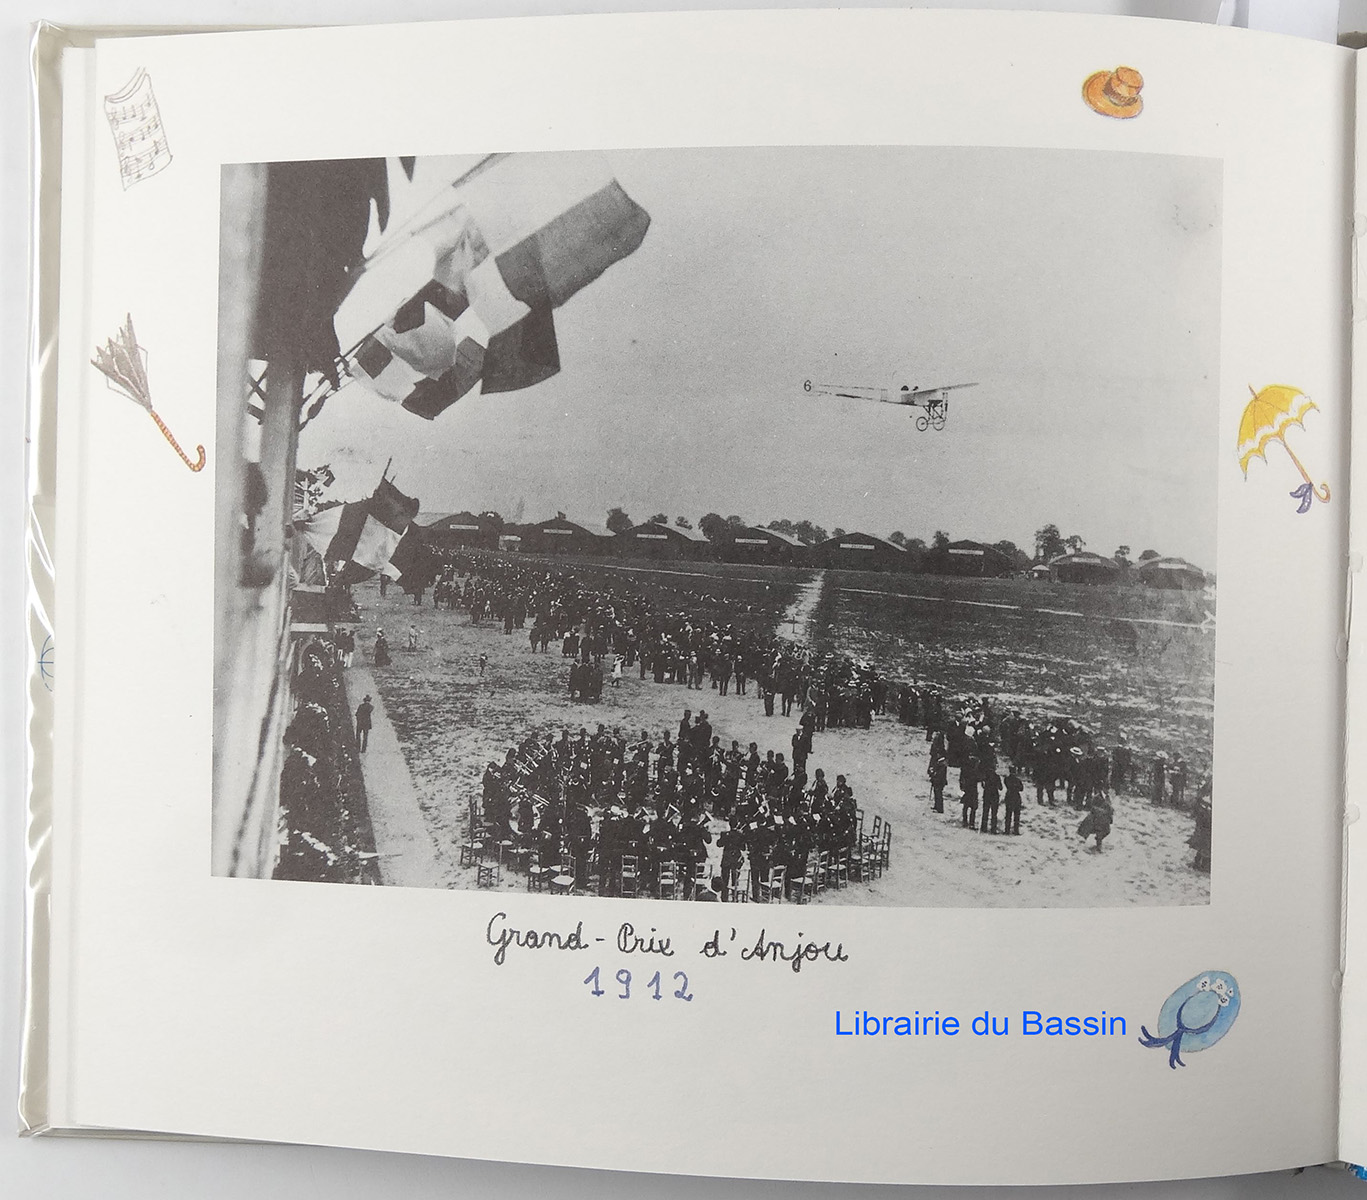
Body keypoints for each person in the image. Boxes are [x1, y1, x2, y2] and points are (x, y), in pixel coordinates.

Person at [1004, 766, 1024, 835]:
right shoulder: (1018, 780)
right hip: (1016, 797)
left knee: (1008, 815)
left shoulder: (1007, 779)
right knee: (1016, 816)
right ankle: (1016, 830)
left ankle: (1007, 830)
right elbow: (1021, 788)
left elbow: (1007, 785)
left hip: (1009, 796)